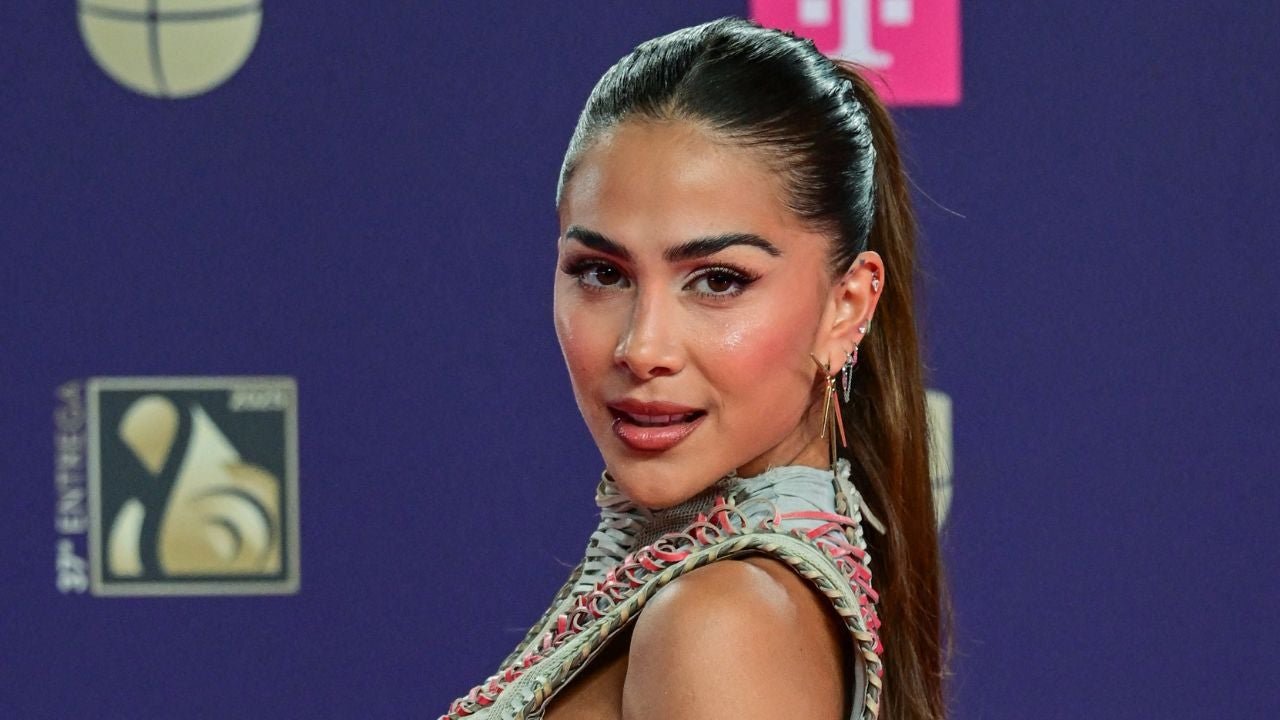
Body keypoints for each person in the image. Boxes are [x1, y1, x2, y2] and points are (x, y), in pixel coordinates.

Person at [440, 16, 948, 720]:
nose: (642, 348)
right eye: (602, 272)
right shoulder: (709, 589)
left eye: (717, 280)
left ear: (846, 306)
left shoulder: (722, 622)